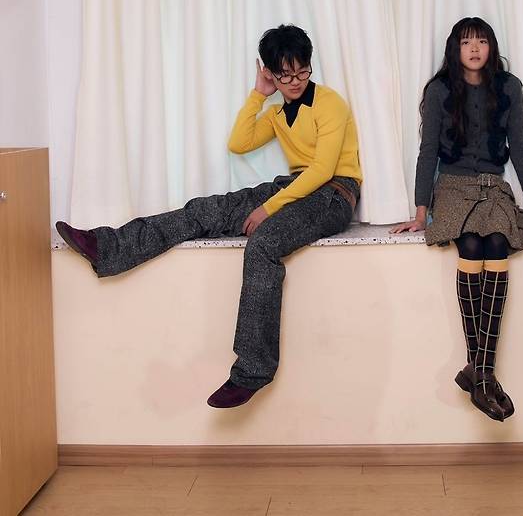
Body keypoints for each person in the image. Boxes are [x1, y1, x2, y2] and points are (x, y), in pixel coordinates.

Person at [56, 24, 362, 408]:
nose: (296, 81)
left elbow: (322, 170)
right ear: (270, 73)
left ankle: (253, 370)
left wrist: (268, 208)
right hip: (294, 187)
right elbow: (238, 143)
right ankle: (109, 247)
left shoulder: (330, 103)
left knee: (263, 244)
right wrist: (258, 95)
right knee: (205, 210)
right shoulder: (276, 114)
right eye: (285, 75)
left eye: (302, 71)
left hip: (334, 192)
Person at [390, 17, 523, 421]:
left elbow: (520, 147)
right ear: (454, 49)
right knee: (472, 246)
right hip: (453, 187)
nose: (474, 49)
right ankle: (485, 374)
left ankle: (478, 371)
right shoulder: (440, 90)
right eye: (466, 42)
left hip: (494, 187)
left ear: (491, 47)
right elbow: (427, 152)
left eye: (481, 41)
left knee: (496, 244)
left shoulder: (509, 88)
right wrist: (421, 211)